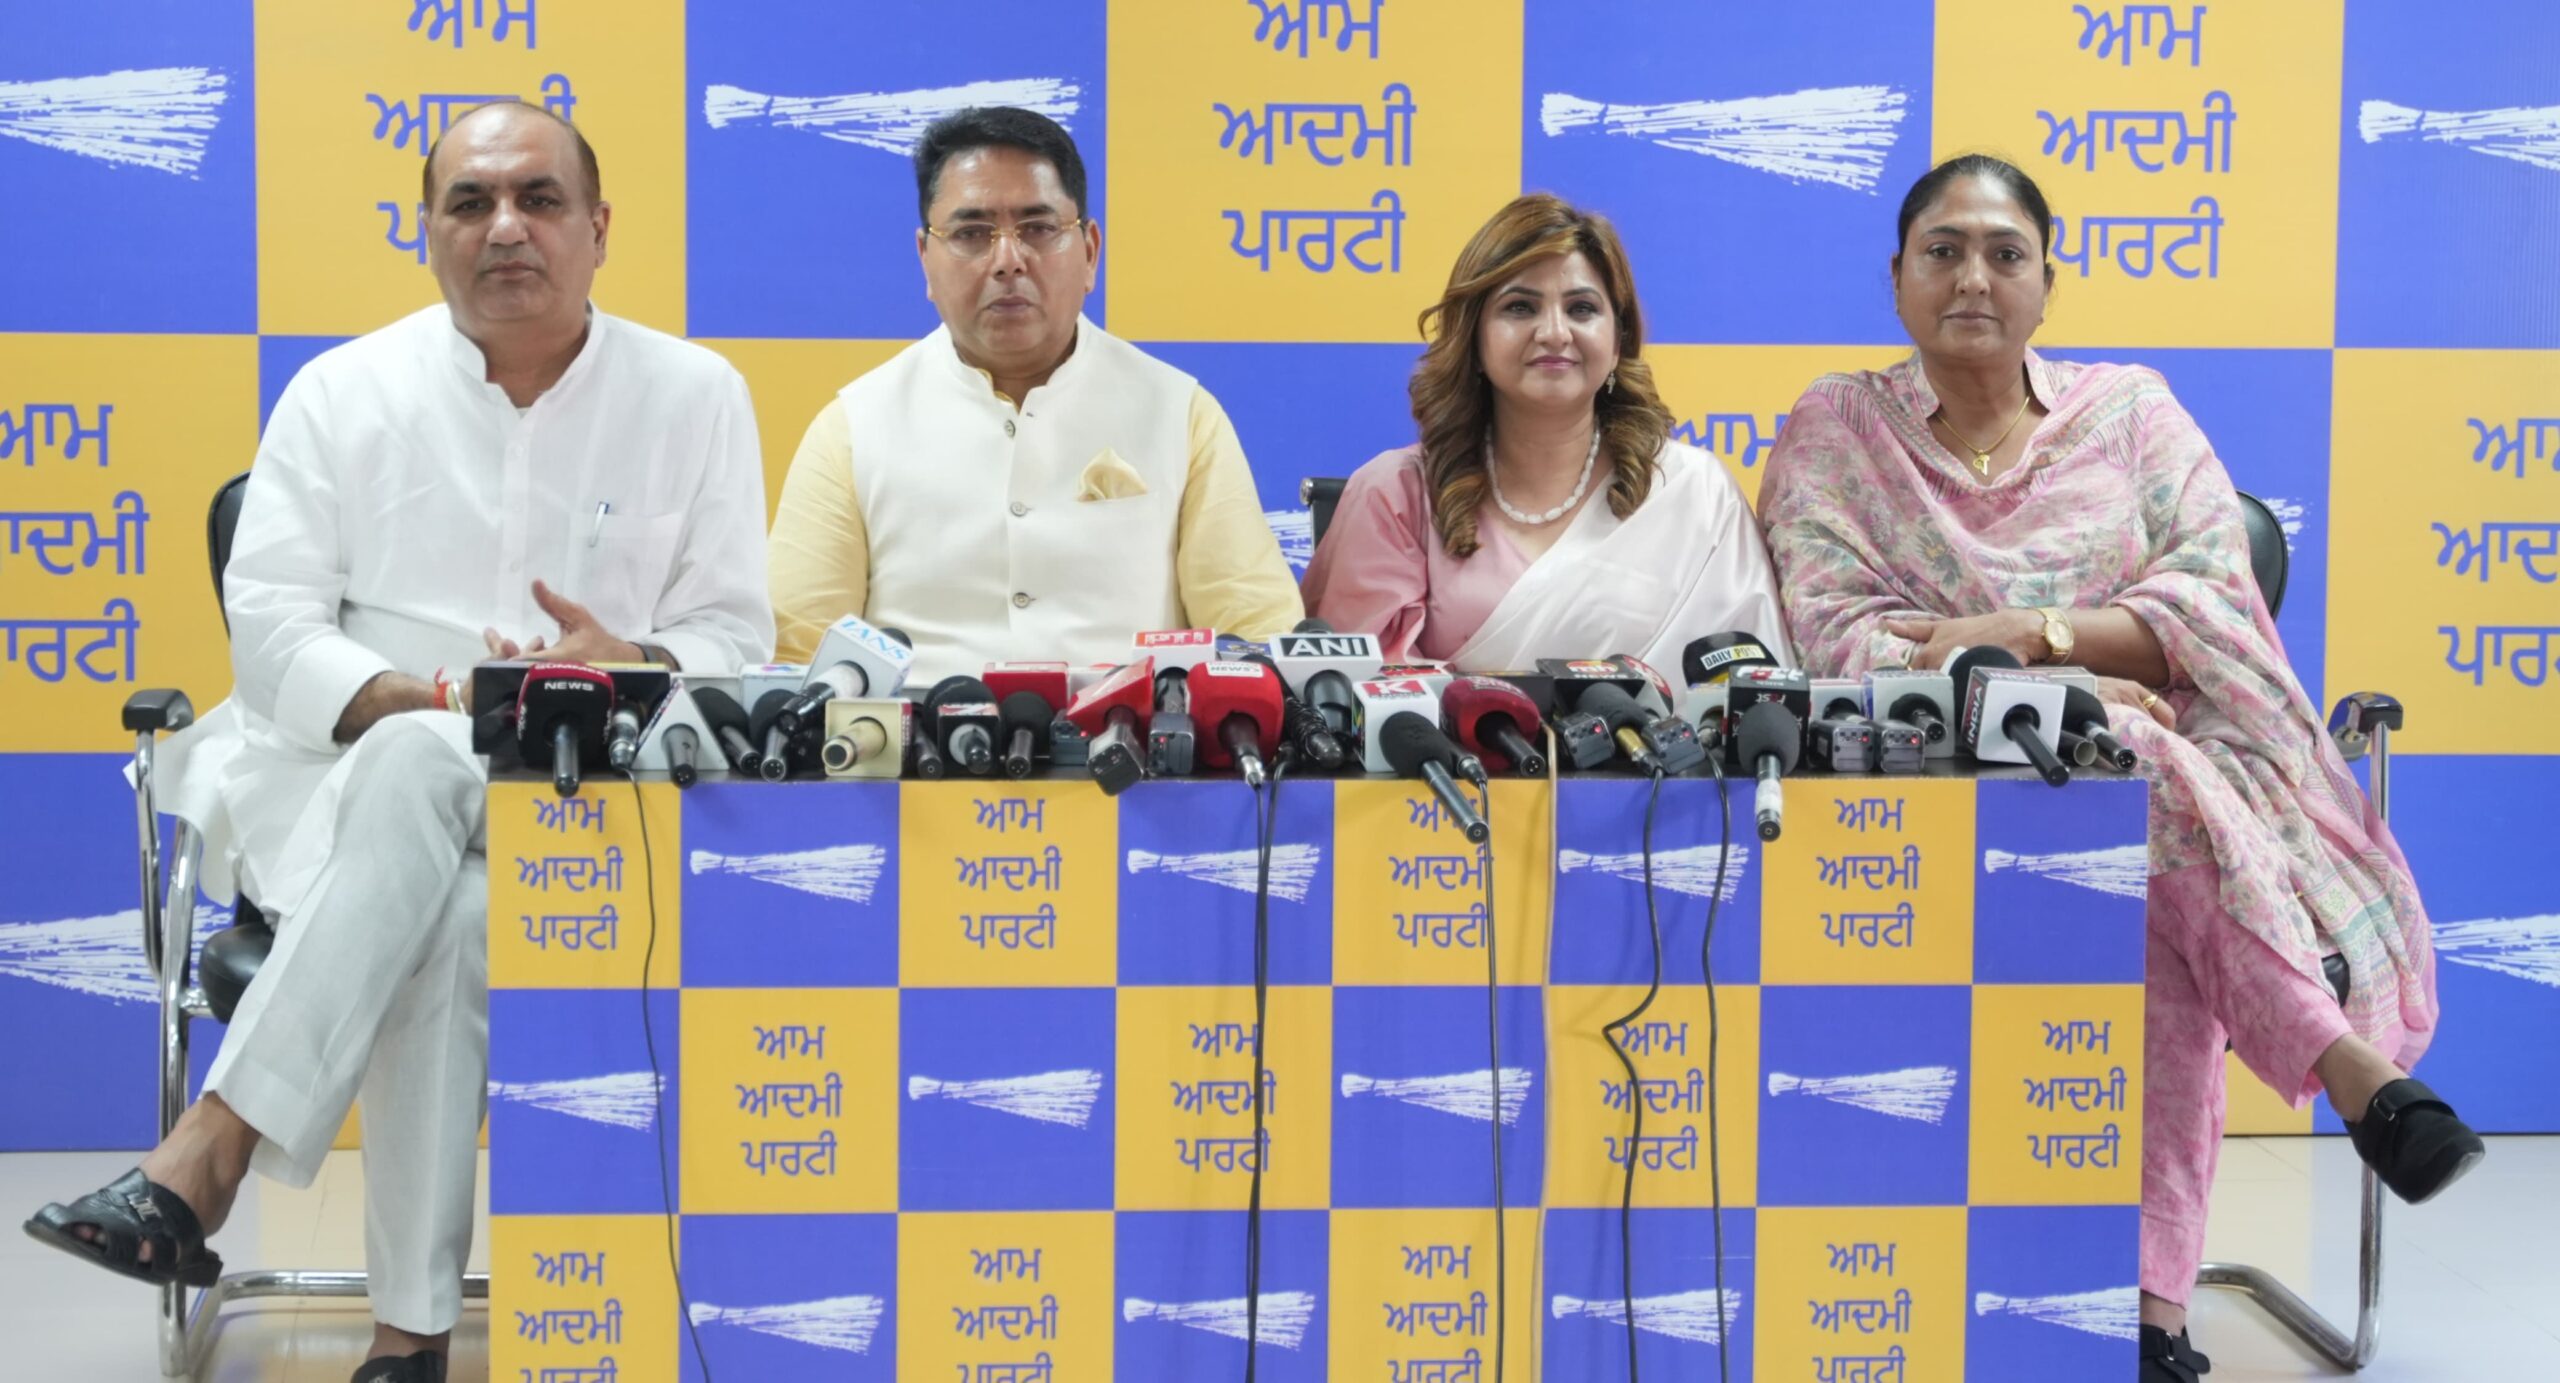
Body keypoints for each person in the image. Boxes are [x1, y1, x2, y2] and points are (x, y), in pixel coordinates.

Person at [22, 102, 773, 1383]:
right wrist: (409, 700)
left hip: (591, 793)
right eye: (470, 203)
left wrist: (634, 659)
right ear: (426, 230)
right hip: (334, 784)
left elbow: (736, 640)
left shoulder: (697, 397)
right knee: (446, 855)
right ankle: (404, 1335)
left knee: (450, 837)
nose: (505, 229)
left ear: (599, 228)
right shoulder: (341, 391)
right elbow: (270, 628)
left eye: (539, 200)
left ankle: (215, 1157)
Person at [1756, 153, 2482, 1383]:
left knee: (2135, 837)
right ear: (1895, 278)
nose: (1972, 277)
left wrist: (2029, 634)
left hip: (2162, 792)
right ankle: (2315, 1113)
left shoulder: (2129, 412)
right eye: (1942, 251)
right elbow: (1837, 636)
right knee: (2126, 759)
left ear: (2047, 281)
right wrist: (2073, 690)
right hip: (1928, 776)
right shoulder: (1836, 426)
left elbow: (2213, 604)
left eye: (2004, 253)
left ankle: (2146, 1309)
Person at [766, 106, 1303, 681]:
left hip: (1129, 731)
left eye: (1038, 229)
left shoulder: (1180, 413)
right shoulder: (855, 426)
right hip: (915, 731)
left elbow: (1256, 638)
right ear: (925, 259)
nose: (1007, 261)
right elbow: (796, 658)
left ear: (1090, 251)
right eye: (971, 234)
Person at [1301, 193, 1789, 673]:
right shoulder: (1395, 495)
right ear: (1473, 337)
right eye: (1520, 308)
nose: (1554, 332)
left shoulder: (1694, 493)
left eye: (1581, 309)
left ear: (1618, 341)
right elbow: (1356, 695)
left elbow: (1754, 688)